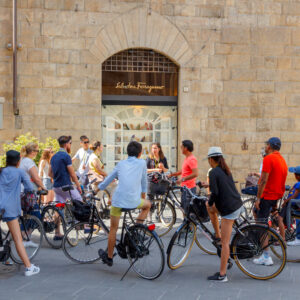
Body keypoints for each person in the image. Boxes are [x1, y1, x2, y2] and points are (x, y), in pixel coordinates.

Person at [97, 141, 150, 267]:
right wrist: (142, 197)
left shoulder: (120, 164)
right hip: (134, 201)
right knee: (147, 205)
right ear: (140, 153)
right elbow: (144, 183)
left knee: (113, 230)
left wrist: (98, 187)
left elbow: (108, 180)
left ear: (127, 152)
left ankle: (109, 258)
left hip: (118, 201)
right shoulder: (142, 163)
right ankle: (137, 229)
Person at [205, 147, 243, 282]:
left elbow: (214, 193)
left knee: (225, 242)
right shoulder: (225, 169)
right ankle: (217, 232)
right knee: (211, 208)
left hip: (229, 209)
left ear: (210, 159)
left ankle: (222, 275)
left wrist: (210, 203)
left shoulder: (214, 172)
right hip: (237, 203)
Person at [0, 150, 40, 276]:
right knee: (17, 239)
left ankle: (5, 259)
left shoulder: (2, 171)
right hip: (10, 208)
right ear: (18, 161)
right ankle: (29, 267)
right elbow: (29, 188)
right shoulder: (20, 172)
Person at [254, 137, 288, 265]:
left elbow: (263, 180)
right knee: (273, 217)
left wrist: (258, 198)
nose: (265, 146)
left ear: (270, 146)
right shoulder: (282, 160)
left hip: (267, 196)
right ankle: (281, 239)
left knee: (261, 223)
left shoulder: (268, 158)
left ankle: (266, 255)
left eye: (267, 144)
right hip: (277, 196)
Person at [49, 136, 82, 204]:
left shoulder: (53, 157)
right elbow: (72, 174)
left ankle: (56, 214)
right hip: (65, 186)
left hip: (56, 186)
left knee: (59, 207)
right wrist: (78, 186)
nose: (70, 145)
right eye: (70, 143)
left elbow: (49, 173)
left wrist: (58, 177)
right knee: (79, 200)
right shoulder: (66, 156)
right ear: (66, 144)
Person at [168, 140, 198, 214]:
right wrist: (172, 174)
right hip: (185, 188)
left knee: (187, 211)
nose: (180, 148)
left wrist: (182, 179)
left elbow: (195, 173)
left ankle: (189, 225)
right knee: (184, 209)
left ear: (186, 148)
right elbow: (183, 171)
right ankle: (186, 225)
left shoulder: (191, 159)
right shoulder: (187, 158)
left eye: (181, 147)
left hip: (189, 188)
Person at [278, 166, 300, 244]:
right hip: (295, 204)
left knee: (280, 218)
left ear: (297, 176)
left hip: (294, 204)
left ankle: (285, 238)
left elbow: (294, 196)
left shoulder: (298, 184)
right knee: (297, 221)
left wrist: (286, 201)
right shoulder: (297, 184)